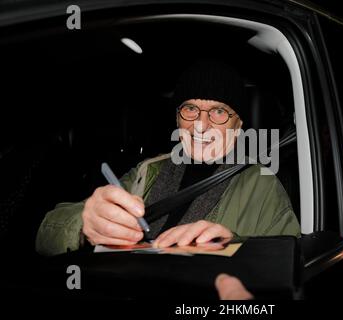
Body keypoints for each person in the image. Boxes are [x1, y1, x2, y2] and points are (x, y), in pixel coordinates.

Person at [35, 60, 301, 256]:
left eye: (218, 111)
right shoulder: (147, 171)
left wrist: (234, 246)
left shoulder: (261, 184)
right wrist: (85, 224)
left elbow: (290, 258)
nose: (201, 124)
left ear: (238, 124)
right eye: (190, 109)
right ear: (177, 118)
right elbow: (45, 235)